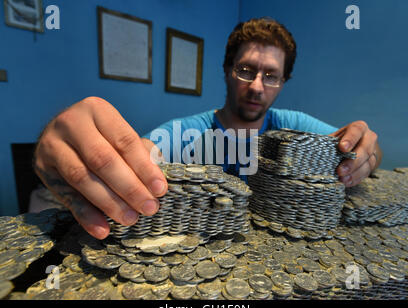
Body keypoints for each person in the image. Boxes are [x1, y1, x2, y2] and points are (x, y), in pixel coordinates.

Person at [33, 18, 382, 240]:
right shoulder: (186, 133)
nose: (257, 86)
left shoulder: (296, 129)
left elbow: (354, 145)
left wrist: (369, 152)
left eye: (271, 76)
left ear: (284, 81)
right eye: (246, 70)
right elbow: (144, 152)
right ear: (227, 69)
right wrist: (71, 149)